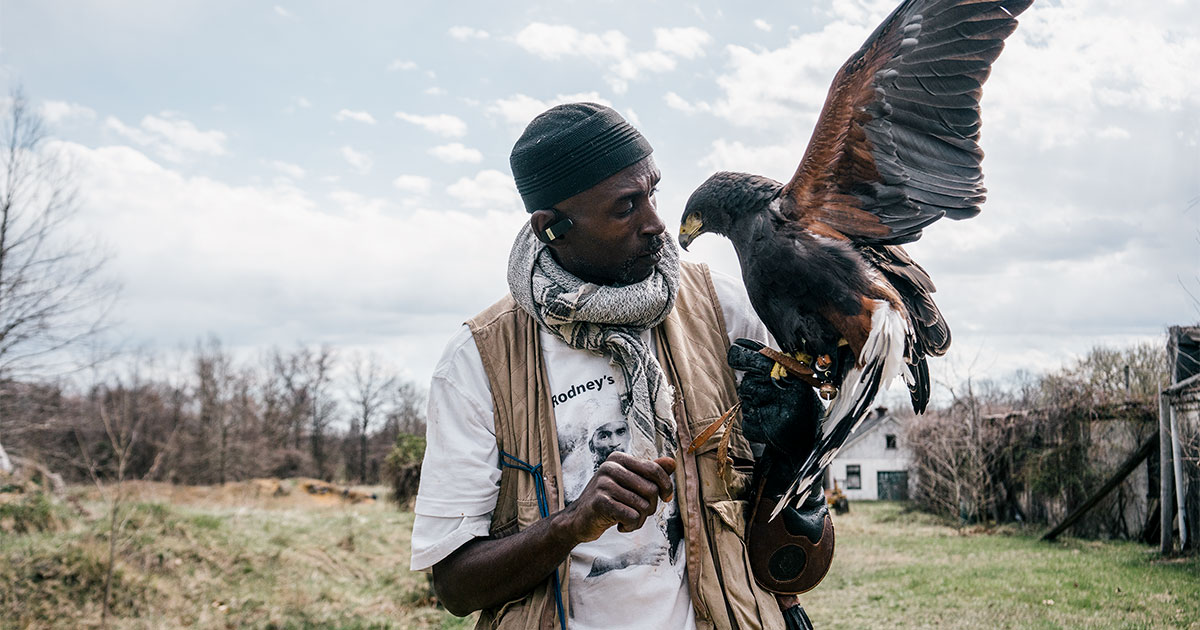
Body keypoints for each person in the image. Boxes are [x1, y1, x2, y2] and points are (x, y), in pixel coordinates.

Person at [410, 102, 799, 630]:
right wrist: (573, 523)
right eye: (625, 208)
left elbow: (794, 548)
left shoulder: (721, 308)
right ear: (553, 229)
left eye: (653, 193)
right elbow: (455, 585)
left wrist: (795, 458)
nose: (656, 223)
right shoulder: (479, 360)